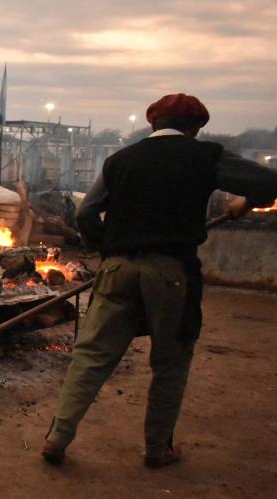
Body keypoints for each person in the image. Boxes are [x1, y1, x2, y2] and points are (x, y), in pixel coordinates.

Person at [42, 93, 277, 468]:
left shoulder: (120, 160)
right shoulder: (205, 156)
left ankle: (57, 437)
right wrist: (245, 204)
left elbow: (86, 213)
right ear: (195, 127)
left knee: (91, 357)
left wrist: (112, 250)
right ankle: (157, 448)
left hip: (117, 270)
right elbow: (269, 183)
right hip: (171, 274)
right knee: (170, 362)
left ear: (152, 123)